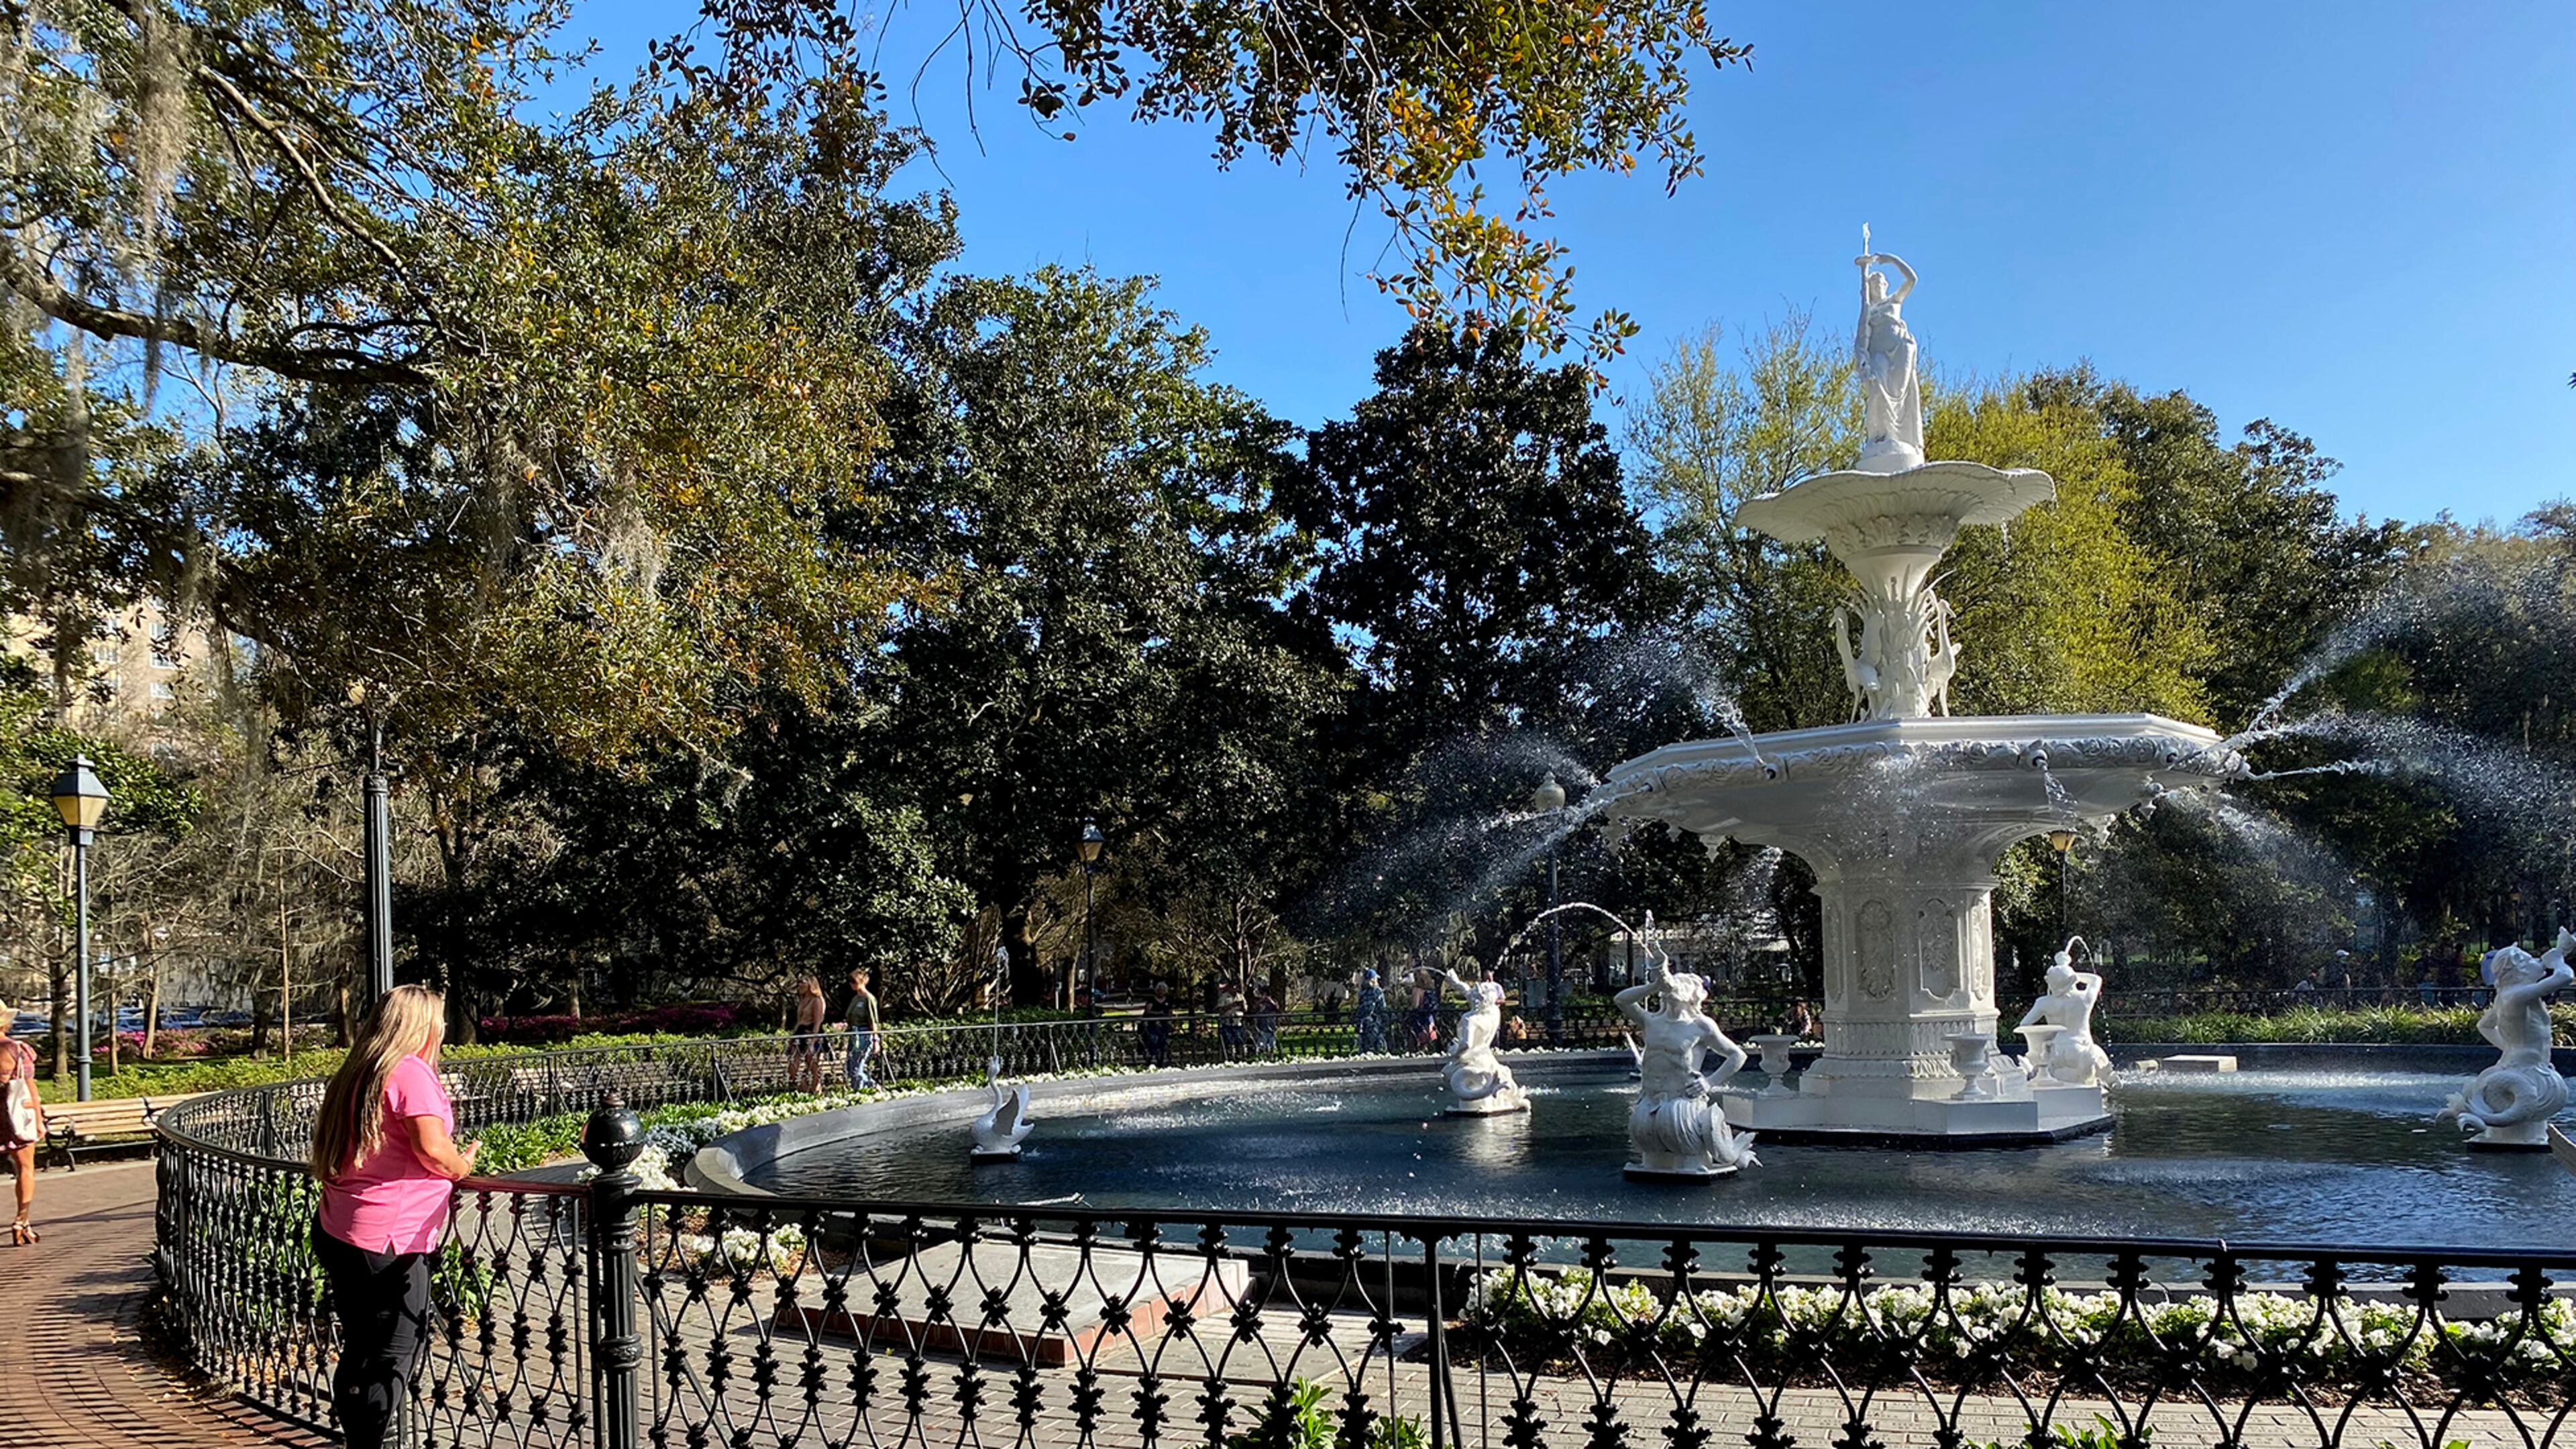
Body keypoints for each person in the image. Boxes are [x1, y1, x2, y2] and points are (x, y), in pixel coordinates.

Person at [307, 985, 478, 1449]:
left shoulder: (359, 1070)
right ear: (424, 1025)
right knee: (394, 1352)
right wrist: (464, 1164)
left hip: (342, 1225)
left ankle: (359, 1440)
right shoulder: (410, 1071)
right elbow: (432, 1148)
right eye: (439, 1022)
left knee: (362, 1349)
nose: (442, 1031)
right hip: (389, 1239)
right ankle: (370, 1442)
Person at [0, 1001, 44, 1243]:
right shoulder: (16, 1050)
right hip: (15, 1116)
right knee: (25, 1169)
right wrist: (38, 1121)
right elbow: (30, 1089)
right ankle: (21, 1222)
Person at [785, 975, 828, 1092]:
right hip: (800, 1033)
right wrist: (792, 1038)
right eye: (798, 983)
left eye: (802, 982)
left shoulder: (817, 1000)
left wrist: (812, 1043)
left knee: (813, 1066)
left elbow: (818, 1022)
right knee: (793, 1067)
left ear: (810, 985)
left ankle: (816, 1092)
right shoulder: (802, 1000)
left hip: (812, 1032)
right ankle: (805, 1091)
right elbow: (799, 1021)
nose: (799, 985)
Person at [841, 967, 879, 1091]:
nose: (852, 984)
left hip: (864, 1034)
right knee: (850, 1066)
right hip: (854, 1034)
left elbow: (873, 1020)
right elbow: (850, 1018)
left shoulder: (869, 999)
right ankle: (860, 1089)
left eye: (854, 982)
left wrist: (875, 1039)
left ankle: (870, 1087)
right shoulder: (855, 999)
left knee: (857, 1068)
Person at [1138, 981, 1175, 1068]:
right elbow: (1148, 1011)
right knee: (1153, 1040)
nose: (1162, 992)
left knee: (1162, 1041)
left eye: (1163, 990)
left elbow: (1170, 1011)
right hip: (1152, 1024)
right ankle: (1151, 1058)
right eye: (1160, 990)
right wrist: (1159, 1013)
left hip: (1164, 1025)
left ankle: (1160, 1059)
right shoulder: (1152, 1000)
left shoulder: (1168, 1000)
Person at [1352, 969, 1387, 1054]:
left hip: (1362, 1021)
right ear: (1374, 979)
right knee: (1374, 1042)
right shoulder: (1377, 991)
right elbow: (1382, 1007)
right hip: (1374, 1020)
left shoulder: (1362, 992)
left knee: (1364, 1043)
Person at [1216, 980, 1250, 1057]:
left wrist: (1242, 1006)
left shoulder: (1240, 996)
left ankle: (1241, 1054)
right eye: (1234, 987)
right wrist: (1233, 1005)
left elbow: (1246, 1010)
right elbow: (1220, 1010)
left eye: (1237, 987)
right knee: (1229, 1040)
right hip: (1228, 1022)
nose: (1235, 989)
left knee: (1240, 1039)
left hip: (1239, 1022)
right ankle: (1230, 1055)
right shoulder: (1224, 997)